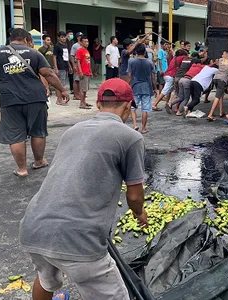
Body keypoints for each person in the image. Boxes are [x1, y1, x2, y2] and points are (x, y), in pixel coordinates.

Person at [19, 78, 147, 300]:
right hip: (79, 239)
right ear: (128, 106)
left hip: (34, 227)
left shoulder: (74, 130)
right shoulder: (131, 137)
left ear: (98, 105)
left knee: (45, 280)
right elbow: (134, 194)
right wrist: (139, 212)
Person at [0, 28, 69, 177]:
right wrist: (63, 90)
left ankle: (22, 169)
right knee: (38, 131)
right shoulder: (34, 53)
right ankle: (39, 161)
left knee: (16, 134)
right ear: (25, 39)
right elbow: (48, 73)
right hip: (35, 98)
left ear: (11, 38)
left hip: (10, 100)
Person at [127, 44, 157, 134]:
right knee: (145, 109)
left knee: (133, 107)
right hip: (147, 88)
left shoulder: (131, 61)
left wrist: (127, 86)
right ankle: (144, 128)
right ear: (145, 52)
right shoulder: (150, 63)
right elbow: (153, 77)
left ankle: (135, 125)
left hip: (135, 87)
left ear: (135, 52)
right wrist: (155, 88)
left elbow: (129, 75)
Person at [207, 49, 228, 121]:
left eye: (223, 54)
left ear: (227, 54)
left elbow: (218, 63)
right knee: (217, 97)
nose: (222, 55)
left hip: (216, 78)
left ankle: (221, 112)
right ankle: (210, 114)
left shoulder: (220, 60)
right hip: (222, 80)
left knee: (220, 95)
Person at [53, 31, 70, 105]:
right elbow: (54, 57)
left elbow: (67, 57)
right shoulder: (57, 46)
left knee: (63, 83)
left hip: (65, 66)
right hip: (60, 66)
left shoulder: (65, 45)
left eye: (64, 37)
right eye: (62, 37)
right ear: (59, 38)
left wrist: (69, 66)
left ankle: (61, 98)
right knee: (59, 84)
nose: (63, 38)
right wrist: (56, 68)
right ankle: (59, 99)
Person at [76, 37, 93, 109]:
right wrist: (80, 72)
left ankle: (84, 101)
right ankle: (81, 104)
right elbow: (78, 62)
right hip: (83, 72)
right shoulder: (79, 51)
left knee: (85, 89)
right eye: (85, 42)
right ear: (81, 42)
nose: (87, 43)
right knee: (83, 89)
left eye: (87, 41)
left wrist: (90, 71)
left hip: (87, 72)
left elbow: (88, 62)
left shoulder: (86, 51)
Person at [154, 41, 169, 106]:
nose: (167, 46)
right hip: (161, 69)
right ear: (162, 45)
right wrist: (161, 69)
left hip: (165, 69)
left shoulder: (165, 52)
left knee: (164, 83)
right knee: (161, 83)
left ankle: (162, 96)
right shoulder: (160, 51)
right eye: (165, 44)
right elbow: (159, 60)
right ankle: (160, 95)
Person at [70, 32, 83, 100]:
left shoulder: (83, 45)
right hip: (77, 64)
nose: (81, 37)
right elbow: (72, 56)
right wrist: (74, 65)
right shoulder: (75, 46)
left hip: (82, 64)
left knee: (81, 80)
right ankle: (75, 95)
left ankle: (80, 94)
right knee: (76, 80)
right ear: (77, 37)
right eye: (80, 36)